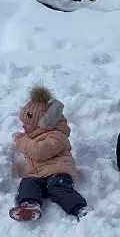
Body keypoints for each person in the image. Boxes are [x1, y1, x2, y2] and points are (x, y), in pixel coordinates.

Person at [9, 85, 88, 222]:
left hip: (58, 172)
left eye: (27, 124)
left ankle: (79, 208)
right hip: (39, 175)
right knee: (28, 182)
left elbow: (39, 152)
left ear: (41, 123)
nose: (23, 126)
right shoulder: (34, 137)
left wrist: (23, 142)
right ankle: (30, 205)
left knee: (57, 187)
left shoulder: (57, 135)